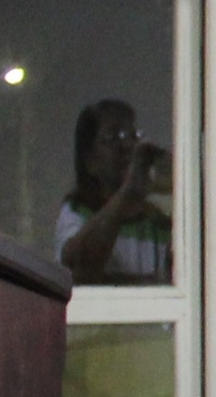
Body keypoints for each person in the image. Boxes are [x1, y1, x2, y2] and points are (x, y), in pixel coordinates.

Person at [57, 97, 172, 283]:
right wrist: (128, 193)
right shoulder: (77, 213)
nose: (128, 146)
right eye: (113, 138)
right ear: (90, 161)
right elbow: (78, 270)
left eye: (132, 136)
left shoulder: (158, 223)